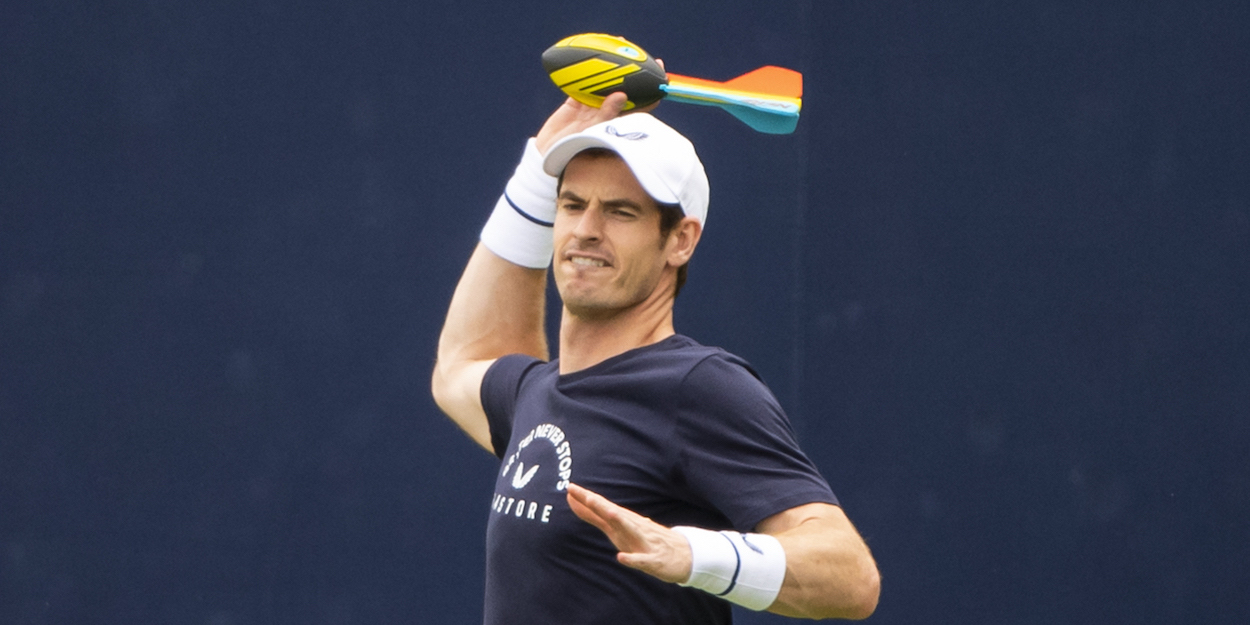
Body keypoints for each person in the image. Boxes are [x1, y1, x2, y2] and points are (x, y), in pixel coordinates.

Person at [432, 91, 880, 623]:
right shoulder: (536, 392)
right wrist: (534, 177)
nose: (586, 230)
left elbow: (852, 578)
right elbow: (462, 362)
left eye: (621, 212)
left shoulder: (698, 387)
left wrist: (692, 555)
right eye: (572, 204)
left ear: (680, 240)